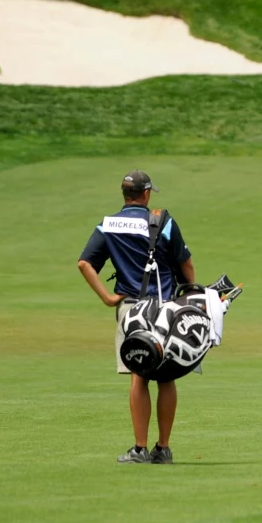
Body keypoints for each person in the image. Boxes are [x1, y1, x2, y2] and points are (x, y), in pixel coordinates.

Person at [77, 170, 196, 464]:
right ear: (145, 194)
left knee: (139, 377)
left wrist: (107, 297)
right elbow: (186, 263)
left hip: (131, 309)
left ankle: (140, 449)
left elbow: (84, 263)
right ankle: (163, 448)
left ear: (124, 195)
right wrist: (189, 295)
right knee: (166, 377)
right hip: (165, 309)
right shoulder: (163, 221)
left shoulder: (108, 225)